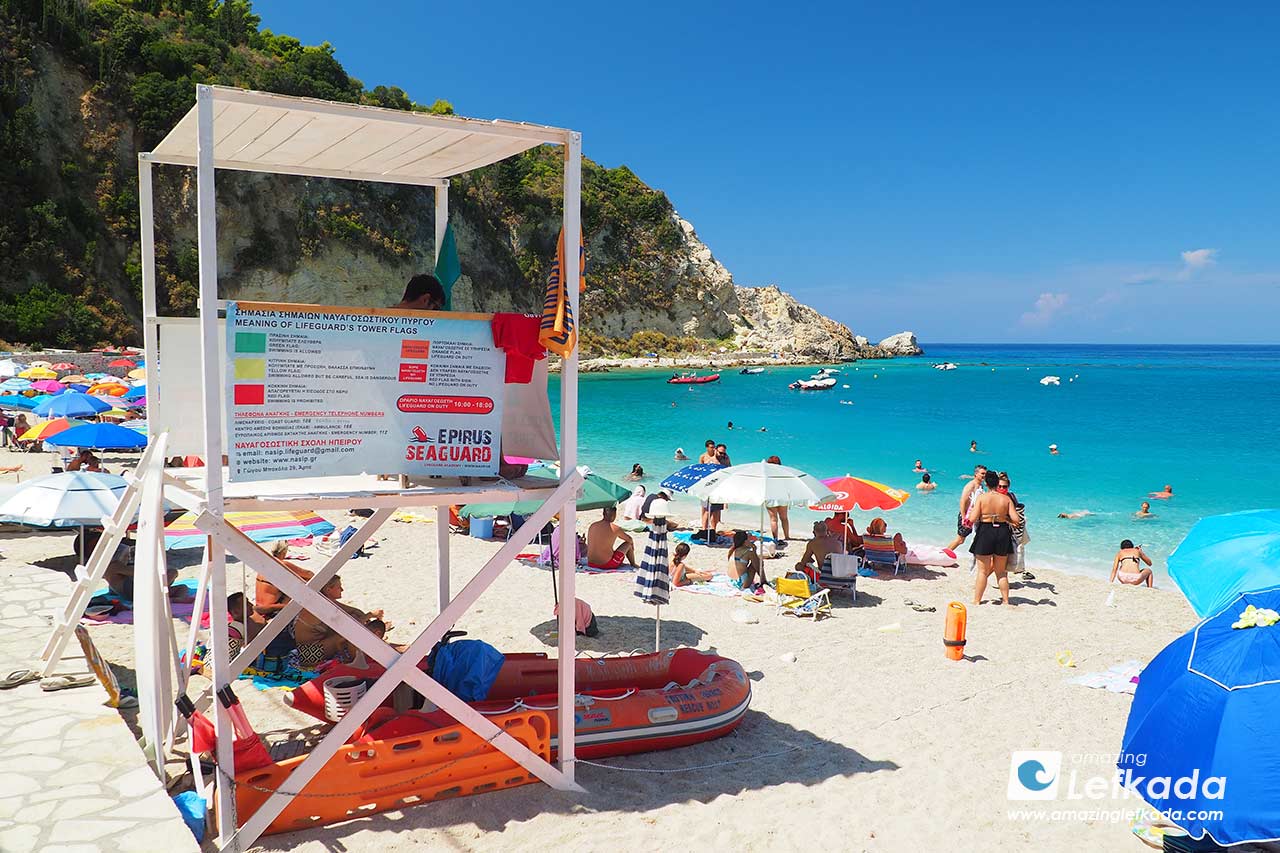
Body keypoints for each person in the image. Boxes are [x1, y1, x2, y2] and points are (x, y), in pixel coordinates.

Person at [292, 575, 386, 667]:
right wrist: (370, 615)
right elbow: (350, 627)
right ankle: (353, 658)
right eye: (339, 587)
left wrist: (368, 621)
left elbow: (354, 611)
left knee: (352, 618)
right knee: (346, 633)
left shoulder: (323, 600)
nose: (342, 590)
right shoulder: (322, 607)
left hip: (313, 647)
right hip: (308, 655)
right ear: (329, 590)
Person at [969, 470, 1022, 605]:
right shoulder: (1006, 499)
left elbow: (973, 518)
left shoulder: (982, 498)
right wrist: (1004, 518)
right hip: (1002, 532)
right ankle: (1005, 601)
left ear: (986, 483)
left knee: (982, 571)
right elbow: (1016, 520)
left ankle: (977, 601)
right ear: (998, 483)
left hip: (986, 531)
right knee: (1001, 572)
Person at [946, 465, 987, 551]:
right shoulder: (971, 485)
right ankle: (944, 553)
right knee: (960, 539)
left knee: (965, 539)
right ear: (976, 474)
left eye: (985, 474)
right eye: (982, 473)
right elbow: (962, 501)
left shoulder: (980, 486)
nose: (984, 476)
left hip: (974, 517)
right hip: (966, 516)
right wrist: (964, 517)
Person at [764, 455, 792, 540]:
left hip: (770, 497)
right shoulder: (783, 472)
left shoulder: (766, 473)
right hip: (782, 496)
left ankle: (775, 538)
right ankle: (787, 536)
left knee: (773, 519)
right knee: (784, 518)